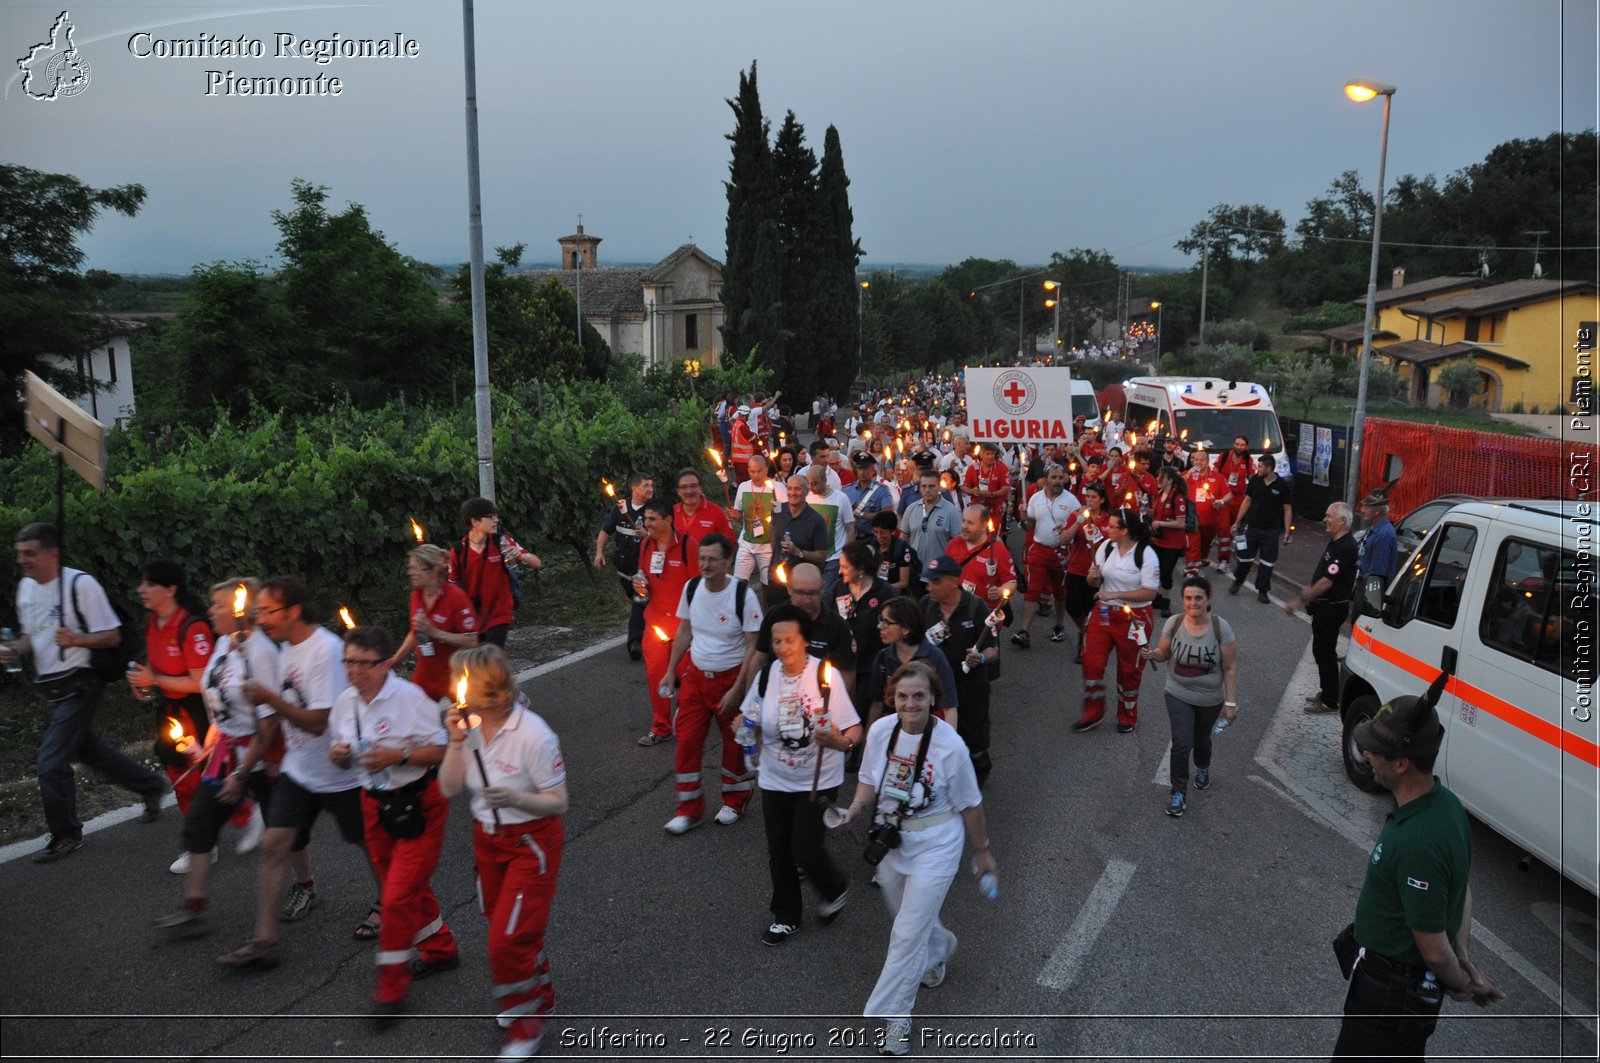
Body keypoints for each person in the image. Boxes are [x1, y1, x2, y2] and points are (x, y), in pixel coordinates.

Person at [1333, 674, 1506, 1058]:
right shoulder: (1445, 805)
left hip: (1390, 998)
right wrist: (1462, 955)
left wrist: (1463, 981)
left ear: (1402, 764)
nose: (1367, 756)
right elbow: (1461, 889)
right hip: (1395, 991)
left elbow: (1432, 950)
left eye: (1376, 750)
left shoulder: (1418, 840)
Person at [833, 661, 996, 1056]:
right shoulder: (881, 731)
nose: (910, 704)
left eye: (919, 696)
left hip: (938, 847)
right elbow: (869, 780)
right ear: (893, 698)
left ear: (933, 700)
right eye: (903, 696)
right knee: (911, 923)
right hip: (893, 844)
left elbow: (971, 806)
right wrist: (853, 809)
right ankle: (940, 947)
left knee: (906, 936)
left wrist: (982, 852)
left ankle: (894, 1021)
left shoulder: (950, 746)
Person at [219, 576, 376, 970]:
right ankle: (265, 941)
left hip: (342, 772)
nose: (261, 618)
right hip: (299, 771)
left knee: (370, 846)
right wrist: (255, 760)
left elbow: (319, 722)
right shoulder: (284, 648)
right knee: (275, 844)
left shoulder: (326, 650)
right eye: (258, 611)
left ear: (292, 611)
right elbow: (278, 714)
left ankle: (397, 909)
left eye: (268, 611)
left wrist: (269, 697)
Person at [4, 523, 168, 864]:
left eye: (30, 554)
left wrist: (77, 640)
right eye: (20, 554)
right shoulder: (26, 589)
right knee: (87, 749)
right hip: (52, 687)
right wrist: (14, 650)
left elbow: (111, 636)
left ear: (53, 553)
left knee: (50, 762)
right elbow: (31, 636)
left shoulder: (80, 584)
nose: (23, 561)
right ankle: (149, 784)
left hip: (82, 683)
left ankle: (66, 833)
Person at [440, 645, 569, 1062]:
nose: (453, 688)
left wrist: (516, 797)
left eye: (463, 681)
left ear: (489, 688)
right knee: (511, 928)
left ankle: (525, 1024)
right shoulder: (470, 723)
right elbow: (447, 787)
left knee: (505, 940)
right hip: (488, 841)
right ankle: (539, 992)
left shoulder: (534, 733)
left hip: (531, 842)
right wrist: (456, 741)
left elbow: (558, 802)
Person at [327, 626, 457, 1025]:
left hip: (420, 803)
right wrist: (339, 755)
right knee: (402, 886)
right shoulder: (345, 704)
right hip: (374, 806)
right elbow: (341, 759)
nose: (354, 671)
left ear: (385, 664)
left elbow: (441, 748)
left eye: (363, 663)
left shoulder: (408, 699)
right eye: (348, 661)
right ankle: (440, 949)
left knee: (398, 897)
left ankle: (390, 989)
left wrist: (397, 755)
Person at [155, 578, 282, 936]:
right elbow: (217, 702)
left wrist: (241, 774)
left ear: (242, 610)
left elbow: (269, 725)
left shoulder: (262, 652)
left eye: (218, 605)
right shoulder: (222, 644)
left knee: (287, 836)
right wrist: (208, 745)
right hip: (227, 755)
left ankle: (305, 887)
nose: (210, 611)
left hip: (262, 757)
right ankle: (193, 906)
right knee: (199, 825)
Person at [742, 605, 862, 946]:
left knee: (805, 850)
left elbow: (854, 729)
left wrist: (840, 742)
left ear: (805, 640)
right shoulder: (766, 676)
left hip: (818, 780)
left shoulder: (826, 675)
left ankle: (834, 886)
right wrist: (745, 729)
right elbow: (749, 718)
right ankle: (785, 915)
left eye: (790, 640)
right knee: (779, 850)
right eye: (777, 641)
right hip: (775, 777)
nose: (783, 648)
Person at [660, 533, 764, 832]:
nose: (705, 564)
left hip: (730, 680)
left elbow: (753, 645)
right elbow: (684, 631)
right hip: (695, 680)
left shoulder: (743, 595)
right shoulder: (691, 589)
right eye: (701, 558)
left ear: (727, 561)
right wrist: (671, 670)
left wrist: (739, 689)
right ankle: (689, 809)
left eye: (712, 559)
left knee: (734, 745)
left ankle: (735, 801)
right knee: (687, 742)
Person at [125, 558, 221, 874]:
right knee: (182, 781)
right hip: (170, 710)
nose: (142, 590)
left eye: (150, 584)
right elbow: (156, 668)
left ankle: (249, 812)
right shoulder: (152, 622)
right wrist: (143, 680)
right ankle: (202, 845)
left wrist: (155, 681)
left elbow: (200, 681)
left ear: (170, 589)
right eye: (142, 583)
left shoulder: (192, 627)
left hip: (199, 711)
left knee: (211, 776)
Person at [1140, 577, 1238, 818]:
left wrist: (1231, 703)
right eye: (1188, 598)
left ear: (1208, 600)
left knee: (1201, 740)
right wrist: (1151, 654)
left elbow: (1230, 667)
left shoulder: (1220, 628)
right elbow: (1164, 653)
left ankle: (1202, 767)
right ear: (1182, 600)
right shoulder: (1174, 623)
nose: (1193, 603)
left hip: (1209, 698)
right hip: (1177, 693)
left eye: (1198, 598)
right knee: (1182, 743)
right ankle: (1178, 793)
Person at [1074, 509, 1159, 734]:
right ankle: (1093, 712)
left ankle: (1127, 714)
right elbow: (1094, 583)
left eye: (1112, 527)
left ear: (1124, 531)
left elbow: (1150, 593)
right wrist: (1092, 577)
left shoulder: (1146, 554)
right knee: (1091, 662)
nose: (1107, 529)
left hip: (1134, 618)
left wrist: (1115, 595)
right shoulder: (1106, 547)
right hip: (1104, 614)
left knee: (1129, 670)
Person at [920, 556, 997, 787]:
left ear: (953, 581)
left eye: (935, 581)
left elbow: (993, 649)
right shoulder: (924, 606)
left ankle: (975, 785)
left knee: (973, 740)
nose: (929, 587)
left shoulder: (975, 607)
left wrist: (981, 657)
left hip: (969, 690)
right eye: (928, 581)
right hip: (937, 692)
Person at [740, 562, 859, 705]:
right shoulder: (774, 616)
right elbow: (759, 659)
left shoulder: (837, 626)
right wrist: (750, 703)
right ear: (789, 588)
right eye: (800, 593)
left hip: (818, 711)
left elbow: (847, 675)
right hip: (776, 704)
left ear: (822, 588)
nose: (807, 600)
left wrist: (833, 711)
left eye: (813, 593)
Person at [1286, 502, 1359, 714]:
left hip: (1331, 609)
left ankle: (1330, 700)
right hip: (1325, 608)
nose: (1325, 519)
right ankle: (1329, 693)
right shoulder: (1337, 541)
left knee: (1324, 653)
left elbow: (1327, 581)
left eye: (1329, 516)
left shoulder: (1346, 547)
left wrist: (1300, 599)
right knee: (1322, 651)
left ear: (1342, 521)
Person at [634, 499, 694, 747]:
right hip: (656, 622)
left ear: (668, 520)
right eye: (646, 519)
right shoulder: (646, 545)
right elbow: (643, 578)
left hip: (684, 626)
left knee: (687, 678)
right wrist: (640, 585)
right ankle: (661, 726)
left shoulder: (688, 546)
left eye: (651, 519)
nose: (646, 524)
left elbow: (699, 588)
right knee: (656, 674)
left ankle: (689, 721)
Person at [387, 544, 479, 701]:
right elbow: (415, 632)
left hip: (456, 673)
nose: (411, 573)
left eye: (416, 569)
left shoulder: (456, 598)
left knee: (466, 721)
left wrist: (436, 633)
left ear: (434, 571)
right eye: (411, 568)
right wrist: (395, 660)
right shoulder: (416, 596)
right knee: (414, 718)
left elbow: (472, 641)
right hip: (426, 673)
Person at [449, 497, 542, 648]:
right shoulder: (459, 550)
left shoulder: (502, 542)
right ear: (475, 522)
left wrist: (521, 556)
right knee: (478, 664)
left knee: (490, 655)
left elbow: (537, 563)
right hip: (473, 615)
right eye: (490, 517)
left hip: (499, 613)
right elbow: (453, 586)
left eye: (496, 516)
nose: (496, 520)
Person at [865, 596, 960, 732]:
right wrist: (868, 745)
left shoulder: (934, 656)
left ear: (905, 629)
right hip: (894, 736)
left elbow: (949, 707)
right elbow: (876, 706)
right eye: (880, 620)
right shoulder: (882, 659)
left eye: (886, 622)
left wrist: (950, 744)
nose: (880, 626)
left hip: (927, 733)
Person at [1012, 463, 1079, 647]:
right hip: (1039, 549)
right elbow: (1029, 527)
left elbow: (1080, 525)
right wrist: (1024, 519)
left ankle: (1059, 625)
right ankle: (1024, 631)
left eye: (1060, 477)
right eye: (1054, 477)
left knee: (1060, 592)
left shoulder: (1072, 501)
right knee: (1032, 589)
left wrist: (1068, 530)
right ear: (1046, 479)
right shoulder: (1034, 499)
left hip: (1061, 553)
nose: (1057, 481)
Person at [830, 540, 899, 715]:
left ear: (860, 569)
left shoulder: (885, 593)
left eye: (845, 567)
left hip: (870, 670)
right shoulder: (838, 588)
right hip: (841, 669)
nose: (840, 572)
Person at [592, 471, 653, 659]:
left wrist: (649, 535)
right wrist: (599, 552)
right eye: (646, 486)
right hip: (624, 567)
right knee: (640, 601)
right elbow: (605, 531)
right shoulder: (619, 508)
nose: (651, 489)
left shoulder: (654, 510)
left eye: (652, 485)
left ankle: (635, 642)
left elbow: (666, 533)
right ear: (634, 488)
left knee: (640, 599)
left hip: (645, 567)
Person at [1229, 453, 1293, 604]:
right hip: (1251, 527)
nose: (1258, 469)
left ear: (1269, 468)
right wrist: (1238, 521)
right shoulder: (1255, 481)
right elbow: (1247, 501)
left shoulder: (1282, 486)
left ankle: (1263, 590)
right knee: (1244, 557)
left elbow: (1287, 508)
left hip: (1271, 530)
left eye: (1260, 467)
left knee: (1267, 562)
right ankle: (1239, 580)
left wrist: (1287, 531)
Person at [1061, 482, 1113, 663]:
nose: (1089, 500)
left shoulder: (1109, 519)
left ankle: (1086, 642)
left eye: (1094, 497)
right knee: (1073, 607)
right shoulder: (1077, 515)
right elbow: (1063, 539)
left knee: (1092, 608)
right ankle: (1086, 631)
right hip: (1077, 568)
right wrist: (1078, 522)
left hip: (1098, 573)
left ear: (1102, 500)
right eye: (1088, 497)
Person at [943, 504, 1017, 609]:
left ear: (984, 526)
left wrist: (1000, 591)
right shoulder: (953, 544)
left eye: (970, 523)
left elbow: (1011, 582)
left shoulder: (998, 550)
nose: (964, 526)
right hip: (954, 610)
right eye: (963, 521)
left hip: (983, 614)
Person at [730, 453, 787, 588]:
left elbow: (785, 516)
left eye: (759, 471)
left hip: (768, 546)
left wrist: (777, 511)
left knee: (768, 585)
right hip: (746, 543)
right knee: (738, 585)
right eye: (752, 471)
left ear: (766, 469)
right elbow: (739, 514)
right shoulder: (743, 487)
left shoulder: (778, 488)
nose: (756, 475)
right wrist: (734, 514)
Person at [1148, 467, 1192, 616]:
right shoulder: (1159, 495)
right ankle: (1158, 597)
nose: (1158, 480)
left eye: (1161, 478)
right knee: (1156, 570)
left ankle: (1166, 602)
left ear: (1170, 480)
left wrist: (1160, 524)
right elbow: (1156, 513)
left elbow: (1181, 523)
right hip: (1159, 540)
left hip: (1172, 543)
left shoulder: (1177, 498)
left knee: (1166, 573)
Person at [806, 463, 854, 588]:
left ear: (825, 480)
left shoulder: (841, 498)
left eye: (815, 483)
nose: (811, 487)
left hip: (835, 557)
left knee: (826, 592)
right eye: (809, 483)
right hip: (814, 556)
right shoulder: (807, 498)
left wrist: (848, 554)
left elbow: (850, 527)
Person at [1183, 449, 1230, 576]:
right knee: (1193, 545)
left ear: (1208, 461)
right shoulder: (1187, 475)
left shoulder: (1217, 477)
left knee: (1205, 545)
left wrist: (1221, 502)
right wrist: (1187, 476)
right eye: (1196, 460)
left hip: (1210, 520)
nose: (1199, 463)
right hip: (1192, 519)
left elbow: (1228, 495)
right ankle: (1192, 570)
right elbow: (1176, 489)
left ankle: (1201, 562)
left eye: (1202, 460)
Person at [1212, 436, 1255, 573]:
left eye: (1242, 445)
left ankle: (1241, 559)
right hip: (1224, 499)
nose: (1239, 447)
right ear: (1233, 444)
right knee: (1224, 530)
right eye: (1237, 444)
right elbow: (1215, 473)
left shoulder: (1248, 460)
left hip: (1239, 500)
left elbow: (1253, 480)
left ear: (1246, 447)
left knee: (1240, 532)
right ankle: (1224, 560)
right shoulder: (1224, 456)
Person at [901, 471, 962, 565]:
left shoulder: (950, 511)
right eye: (923, 486)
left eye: (931, 486)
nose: (927, 490)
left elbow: (958, 543)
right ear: (919, 488)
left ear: (939, 487)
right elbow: (904, 539)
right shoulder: (911, 509)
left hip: (938, 572)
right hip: (915, 571)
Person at [1356, 486, 1400, 597]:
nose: (1362, 510)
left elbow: (1377, 573)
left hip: (1368, 595)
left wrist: (1368, 600)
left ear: (1377, 512)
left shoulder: (1383, 535)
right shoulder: (1376, 528)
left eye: (1366, 507)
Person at [673, 467, 735, 545]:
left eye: (693, 486)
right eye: (684, 487)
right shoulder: (671, 513)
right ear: (678, 491)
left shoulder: (716, 512)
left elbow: (730, 543)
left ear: (701, 488)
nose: (689, 491)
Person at [870, 512, 920, 596]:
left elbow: (904, 582)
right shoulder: (871, 545)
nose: (878, 536)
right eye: (876, 532)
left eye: (882, 532)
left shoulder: (901, 548)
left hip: (896, 594)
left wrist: (882, 589)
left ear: (893, 531)